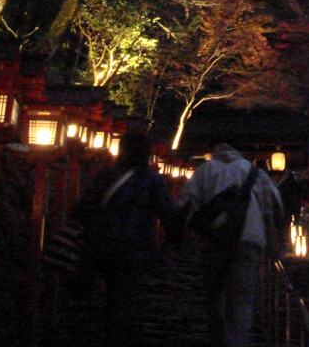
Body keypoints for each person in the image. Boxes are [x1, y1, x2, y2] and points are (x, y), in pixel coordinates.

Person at [68, 129, 175, 347]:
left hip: (100, 244)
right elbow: (167, 215)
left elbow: (83, 207)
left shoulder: (106, 175)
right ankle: (119, 333)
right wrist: (168, 247)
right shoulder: (153, 181)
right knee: (125, 296)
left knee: (98, 292)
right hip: (136, 247)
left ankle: (92, 330)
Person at [177, 142, 286, 347]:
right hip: (249, 238)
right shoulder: (254, 172)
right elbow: (272, 206)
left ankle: (219, 338)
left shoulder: (204, 171)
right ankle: (238, 339)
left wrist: (184, 238)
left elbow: (186, 204)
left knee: (214, 294)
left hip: (214, 240)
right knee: (242, 296)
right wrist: (274, 243)